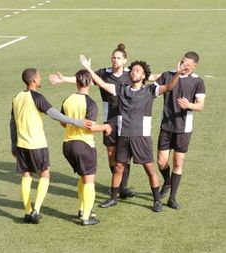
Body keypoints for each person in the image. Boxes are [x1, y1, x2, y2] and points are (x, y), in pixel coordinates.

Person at [49, 43, 159, 199]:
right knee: (112, 153)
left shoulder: (131, 73)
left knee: (124, 154)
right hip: (110, 119)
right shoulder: (103, 73)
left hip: (127, 119)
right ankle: (119, 185)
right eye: (113, 58)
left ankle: (123, 187)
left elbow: (153, 77)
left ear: (125, 60)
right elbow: (85, 78)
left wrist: (176, 74)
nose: (115, 60)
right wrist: (63, 79)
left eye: (118, 58)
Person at [79, 55, 184, 212]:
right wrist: (88, 68)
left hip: (141, 137)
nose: (134, 72)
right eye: (133, 70)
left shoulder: (150, 90)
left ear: (144, 76)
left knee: (149, 168)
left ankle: (157, 200)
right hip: (123, 136)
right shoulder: (121, 89)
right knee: (119, 167)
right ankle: (114, 198)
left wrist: (177, 74)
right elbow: (101, 83)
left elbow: (168, 87)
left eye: (138, 71)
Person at [10, 68, 92, 224]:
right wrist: (78, 121)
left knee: (26, 176)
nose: (40, 79)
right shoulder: (37, 97)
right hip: (37, 144)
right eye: (39, 77)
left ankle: (27, 212)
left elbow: (12, 123)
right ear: (33, 80)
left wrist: (14, 144)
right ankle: (36, 210)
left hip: (21, 145)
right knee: (45, 175)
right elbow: (55, 115)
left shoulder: (17, 97)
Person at [60, 69, 112, 226]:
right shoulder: (90, 103)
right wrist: (105, 127)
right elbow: (90, 127)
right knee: (89, 181)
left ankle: (83, 209)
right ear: (90, 82)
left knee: (83, 177)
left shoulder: (67, 100)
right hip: (84, 145)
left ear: (76, 82)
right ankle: (86, 217)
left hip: (67, 144)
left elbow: (62, 121)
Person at [155, 52, 206, 210]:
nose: (183, 66)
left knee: (178, 162)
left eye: (186, 65)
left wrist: (189, 105)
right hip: (166, 126)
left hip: (184, 128)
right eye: (182, 62)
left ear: (193, 66)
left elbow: (200, 105)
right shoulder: (167, 75)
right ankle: (167, 181)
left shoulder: (197, 81)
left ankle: (172, 198)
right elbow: (153, 91)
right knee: (161, 162)